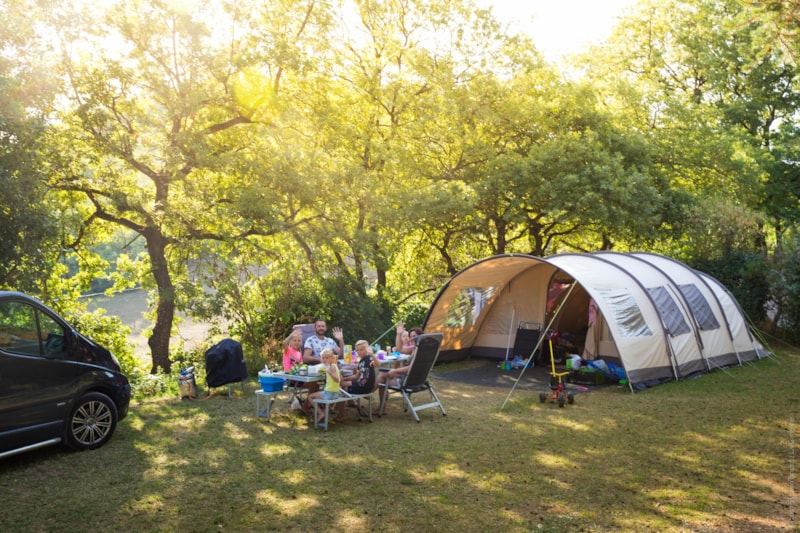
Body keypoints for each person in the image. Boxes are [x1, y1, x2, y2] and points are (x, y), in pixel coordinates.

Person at [335, 339, 380, 422]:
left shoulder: (369, 359)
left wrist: (372, 355)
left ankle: (340, 414)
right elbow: (356, 376)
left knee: (342, 390)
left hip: (365, 387)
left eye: (362, 349)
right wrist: (344, 378)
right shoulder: (361, 362)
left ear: (367, 349)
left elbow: (377, 364)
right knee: (341, 384)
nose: (359, 352)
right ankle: (340, 408)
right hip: (360, 384)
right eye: (357, 350)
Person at [306, 349, 341, 427]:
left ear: (332, 358)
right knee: (319, 392)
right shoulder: (333, 366)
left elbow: (337, 379)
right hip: (335, 392)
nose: (325, 360)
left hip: (330, 393)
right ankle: (324, 413)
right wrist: (325, 372)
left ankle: (320, 413)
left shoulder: (331, 367)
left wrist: (330, 373)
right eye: (323, 358)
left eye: (327, 358)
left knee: (310, 397)